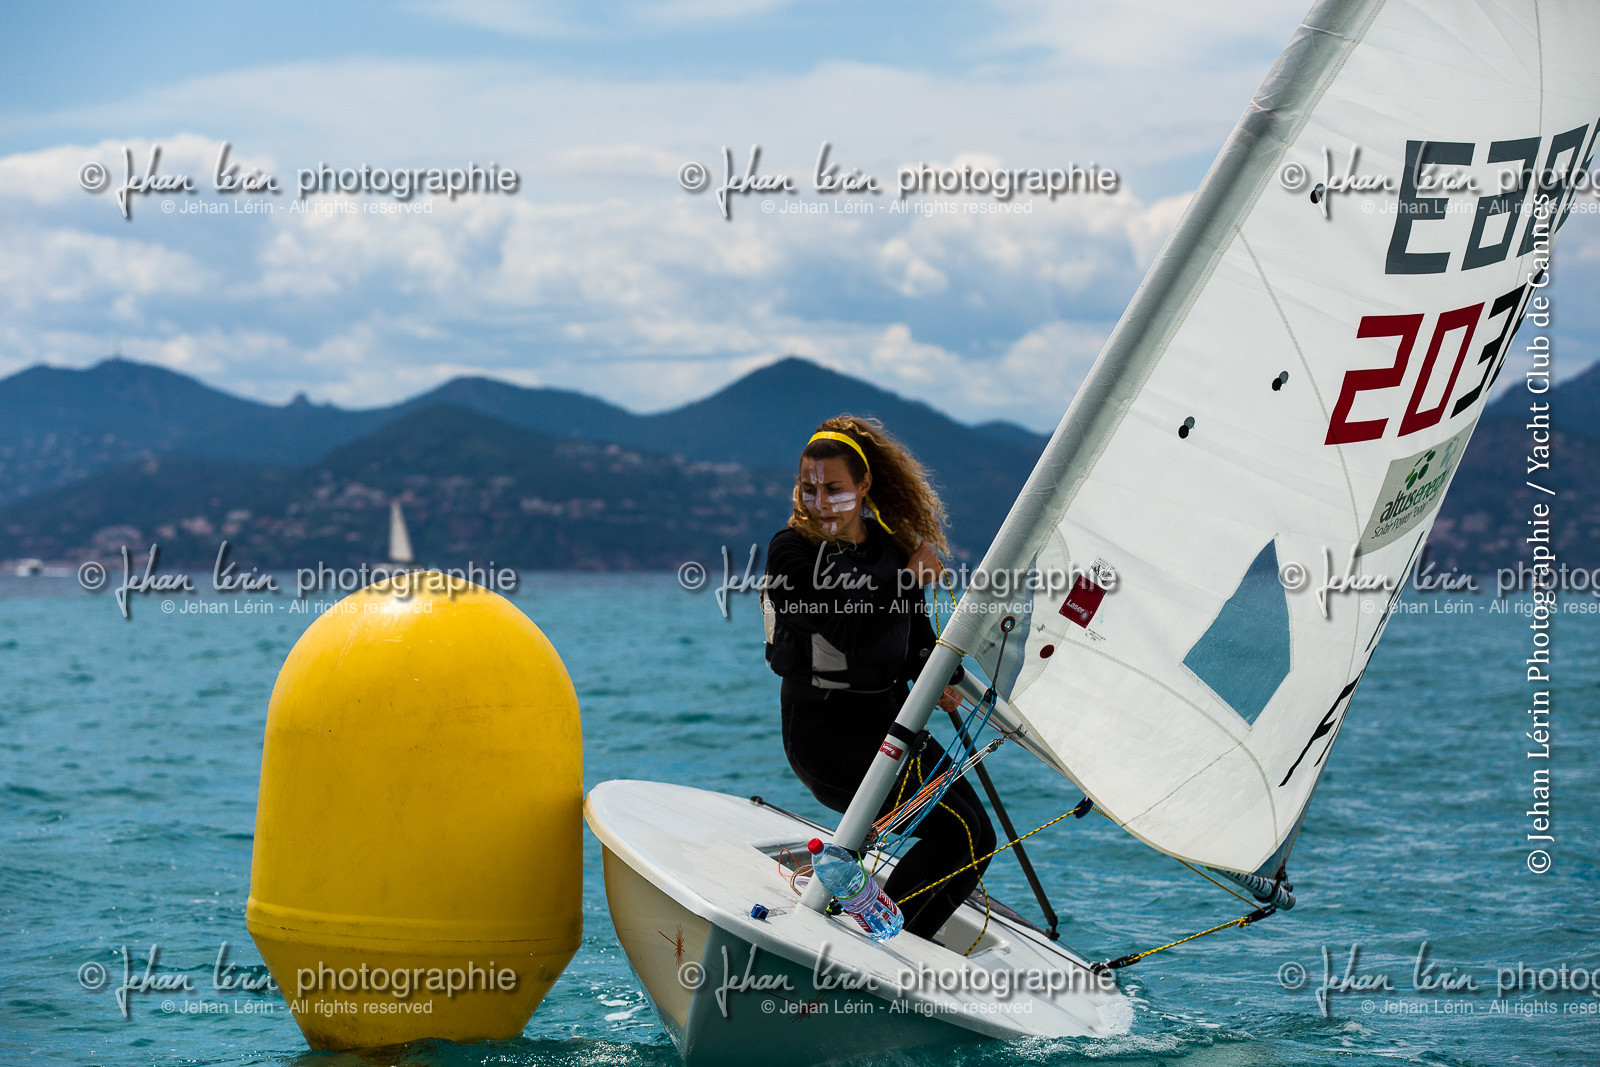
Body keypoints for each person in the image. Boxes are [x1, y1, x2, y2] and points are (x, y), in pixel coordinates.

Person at [762, 415, 995, 942]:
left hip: (888, 720)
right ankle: (889, 943)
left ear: (864, 486)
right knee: (953, 833)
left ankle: (904, 941)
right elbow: (845, 630)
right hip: (825, 736)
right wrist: (908, 577)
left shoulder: (890, 548)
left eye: (835, 489)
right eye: (809, 488)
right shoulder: (790, 553)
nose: (820, 502)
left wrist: (942, 673)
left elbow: (914, 641)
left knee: (979, 837)